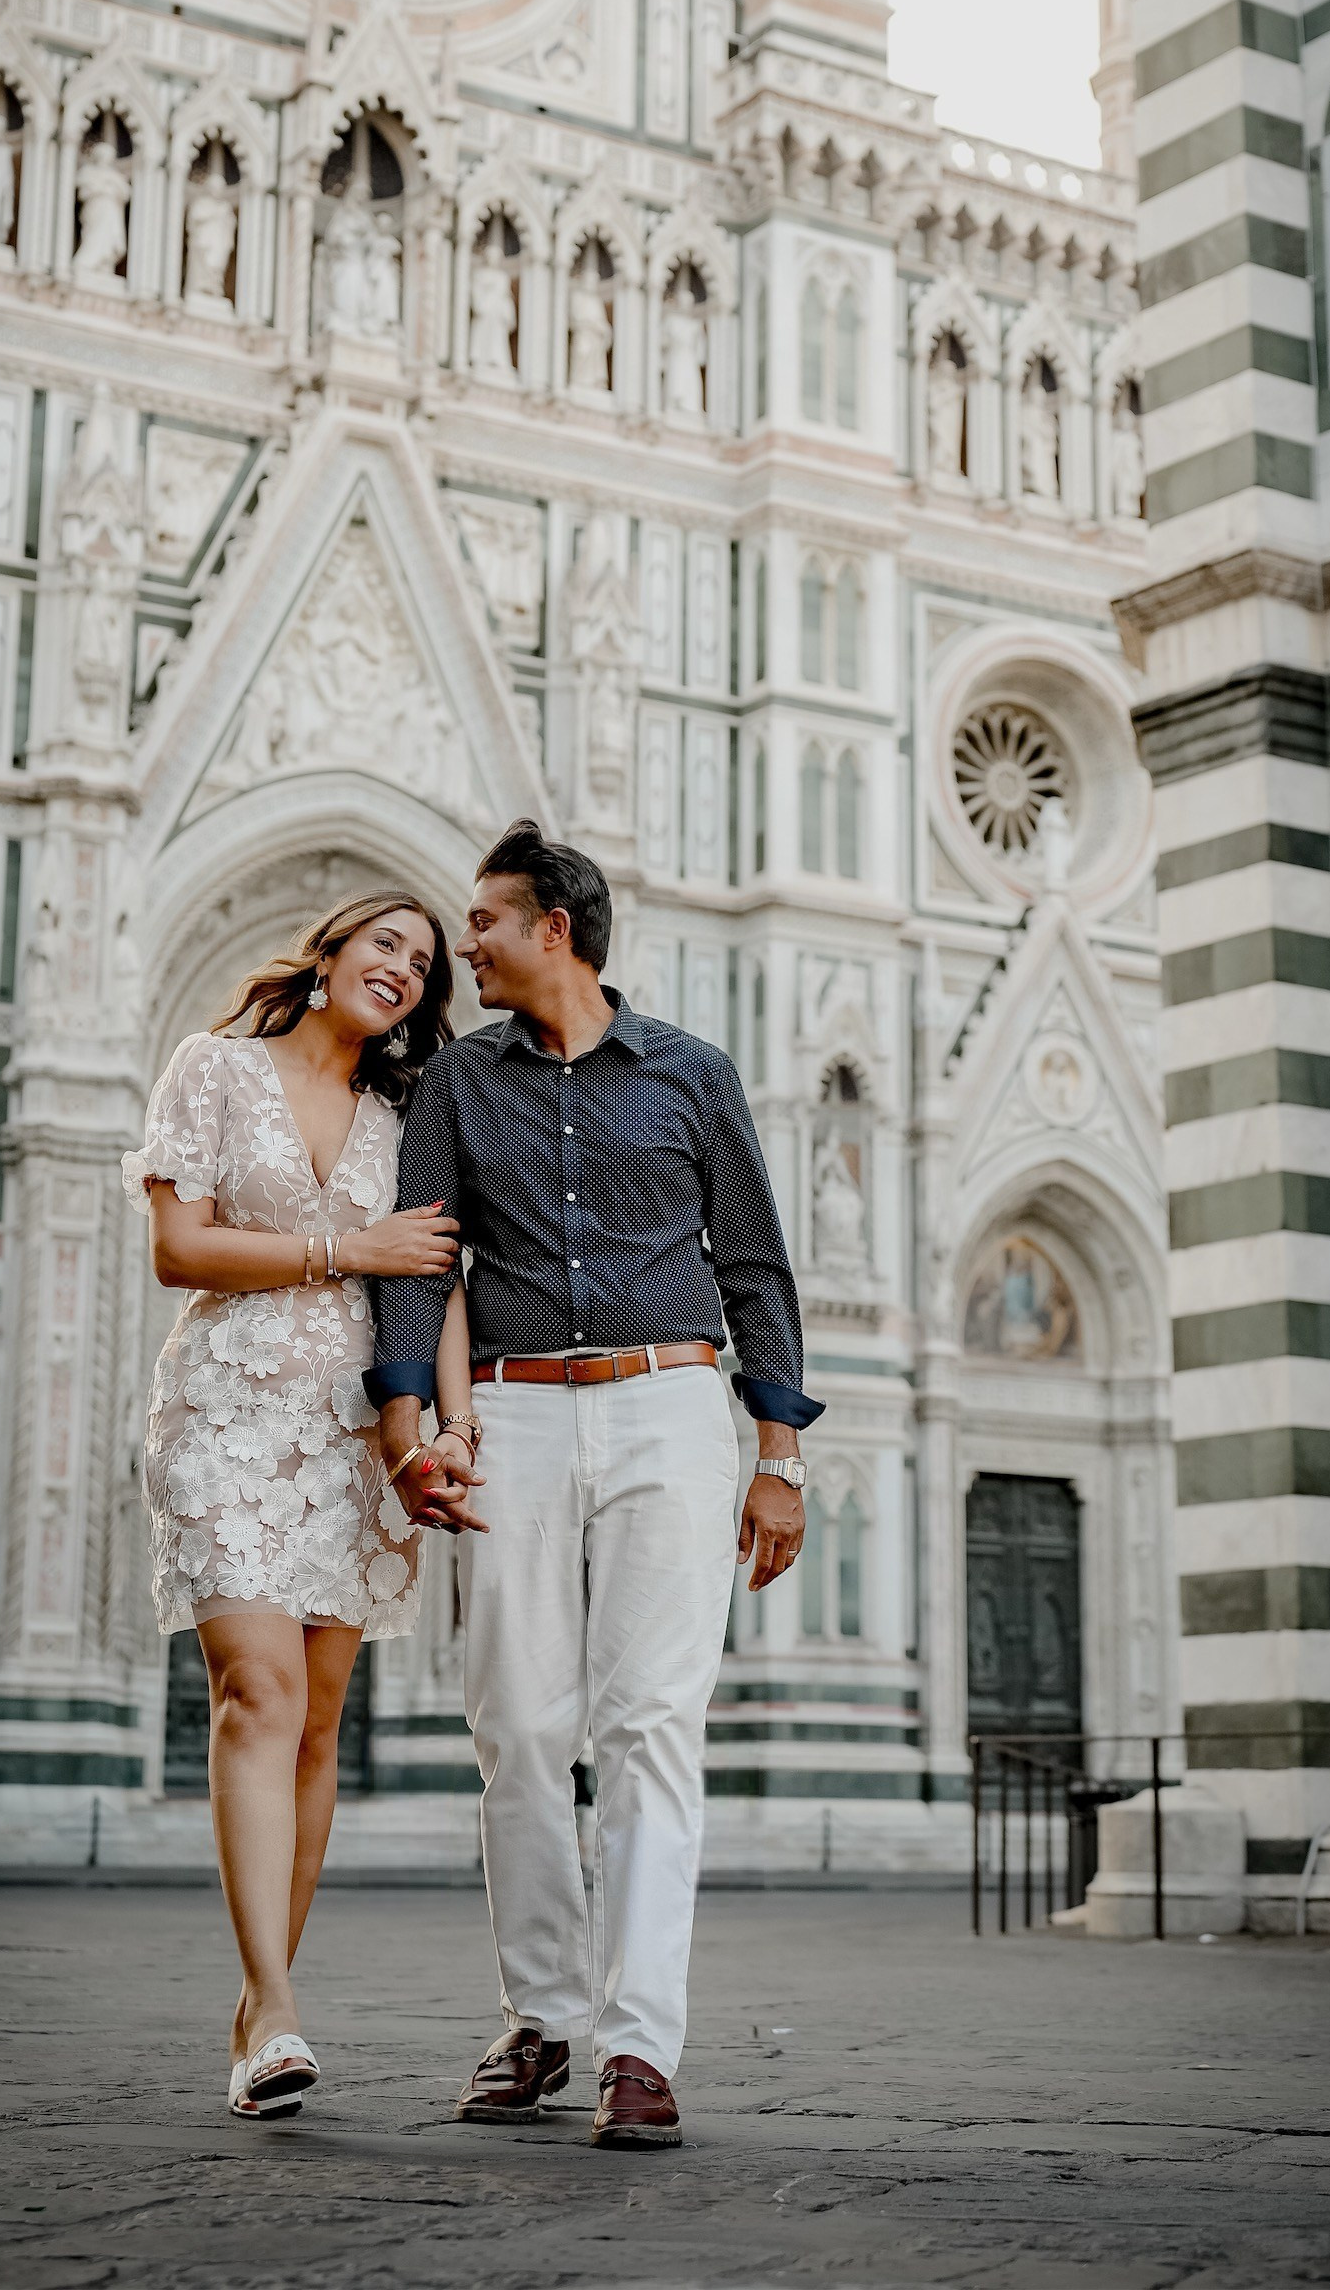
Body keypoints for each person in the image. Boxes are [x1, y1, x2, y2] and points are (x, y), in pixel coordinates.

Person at [369, 819, 820, 2150]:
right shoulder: (457, 1083)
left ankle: (638, 2045)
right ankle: (543, 2018)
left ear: (553, 928)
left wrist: (778, 1457)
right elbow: (423, 1265)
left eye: (484, 921)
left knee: (650, 1728)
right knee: (516, 1724)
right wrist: (411, 1428)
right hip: (510, 1412)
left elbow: (755, 1268)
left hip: (670, 1406)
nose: (466, 944)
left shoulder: (692, 1073)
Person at [124, 893, 476, 2122]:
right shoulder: (214, 1069)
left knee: (318, 1725)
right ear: (327, 952)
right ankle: (272, 2007)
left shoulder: (409, 1117)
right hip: (227, 1413)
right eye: (384, 942)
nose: (402, 967)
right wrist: (346, 1253)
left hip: (354, 1441)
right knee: (257, 1694)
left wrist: (450, 1429)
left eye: (422, 962)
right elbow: (178, 1248)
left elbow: (438, 1284)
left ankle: (258, 2011)